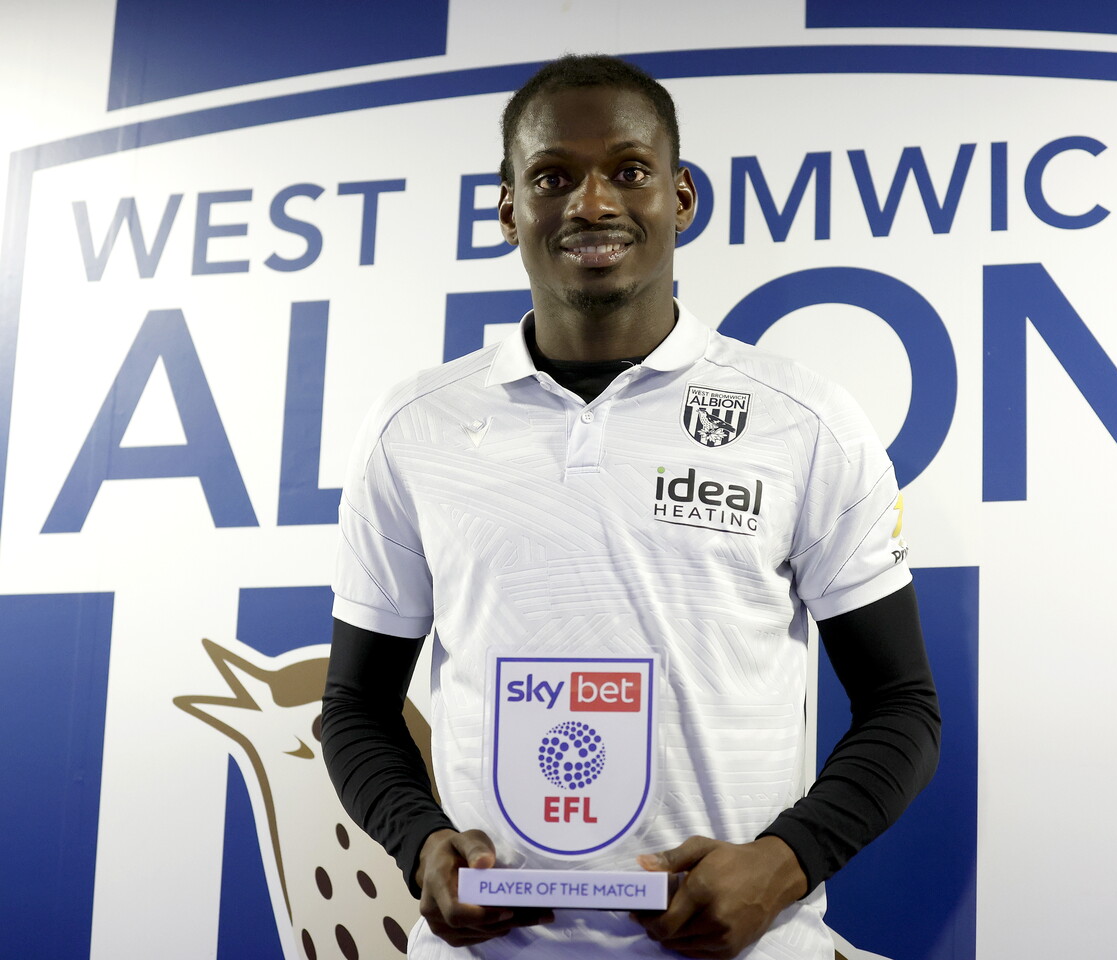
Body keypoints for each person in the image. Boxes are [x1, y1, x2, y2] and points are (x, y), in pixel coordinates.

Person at [322, 54, 941, 959]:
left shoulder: (804, 421)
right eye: (552, 177)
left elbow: (902, 704)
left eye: (629, 170)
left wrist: (784, 862)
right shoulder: (415, 427)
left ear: (681, 198)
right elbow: (354, 706)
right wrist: (419, 843)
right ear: (508, 209)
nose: (593, 203)